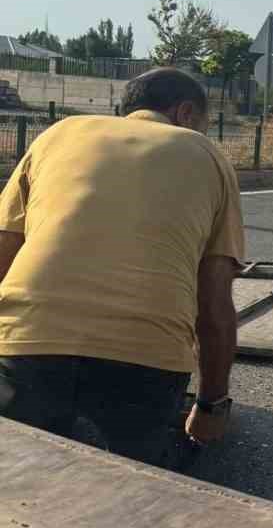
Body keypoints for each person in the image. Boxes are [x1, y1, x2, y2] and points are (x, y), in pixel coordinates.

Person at [0, 67, 244, 466]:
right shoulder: (207, 157)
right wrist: (211, 405)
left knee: (22, 479)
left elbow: (4, 252)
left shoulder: (57, 136)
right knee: (137, 484)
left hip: (27, 345)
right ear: (185, 113)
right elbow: (214, 306)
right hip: (146, 361)